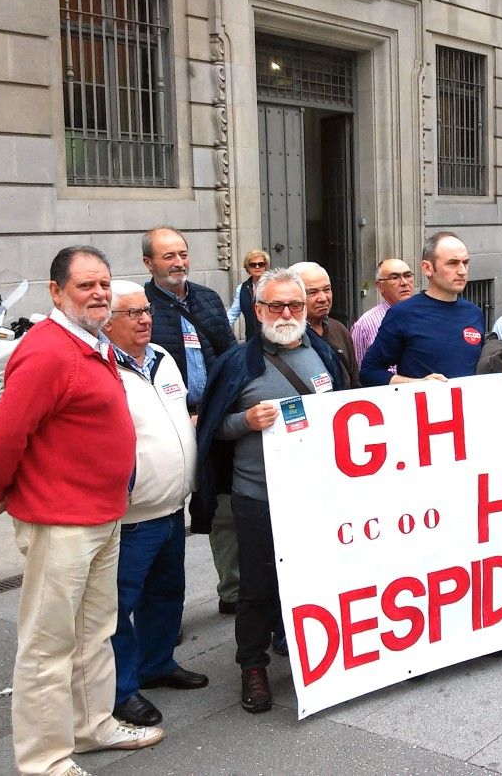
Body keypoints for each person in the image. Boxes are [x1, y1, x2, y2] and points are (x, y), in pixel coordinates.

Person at [0, 247, 163, 775]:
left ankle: (91, 724)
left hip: (101, 516)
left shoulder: (91, 343)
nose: (99, 294)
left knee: (93, 632)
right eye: (85, 286)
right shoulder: (48, 350)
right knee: (48, 646)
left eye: (103, 284)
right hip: (61, 522)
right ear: (56, 293)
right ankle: (44, 759)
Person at [193, 268, 346, 714]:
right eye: (275, 305)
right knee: (257, 586)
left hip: (313, 493)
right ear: (257, 310)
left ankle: (304, 649)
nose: (286, 313)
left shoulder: (324, 353)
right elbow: (212, 429)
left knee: (313, 577)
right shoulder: (236, 364)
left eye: (294, 305)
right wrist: (246, 422)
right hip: (258, 496)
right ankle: (253, 668)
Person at [103, 281, 207, 729]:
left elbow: (177, 413)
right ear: (107, 322)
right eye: (133, 313)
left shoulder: (163, 359)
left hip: (170, 507)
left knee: (166, 593)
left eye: (146, 311)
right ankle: (120, 690)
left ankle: (157, 663)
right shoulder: (102, 367)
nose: (146, 319)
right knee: (116, 607)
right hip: (131, 516)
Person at [142, 225, 240, 616]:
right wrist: (184, 415)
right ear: (148, 263)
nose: (179, 262)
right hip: (167, 428)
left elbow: (231, 355)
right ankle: (161, 617)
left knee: (222, 507)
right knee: (163, 521)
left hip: (215, 423)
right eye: (168, 256)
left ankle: (231, 591)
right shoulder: (140, 306)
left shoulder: (208, 299)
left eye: (182, 254)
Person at [361, 231, 485, 385]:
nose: (462, 271)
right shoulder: (402, 314)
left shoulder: (474, 313)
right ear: (427, 268)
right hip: (422, 407)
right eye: (452, 263)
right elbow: (369, 372)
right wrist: (417, 384)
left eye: (465, 262)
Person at [289, 261, 360, 387]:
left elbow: (354, 380)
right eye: (312, 292)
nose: (323, 298)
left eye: (327, 289)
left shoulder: (339, 329)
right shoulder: (287, 336)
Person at [351, 258, 415, 367]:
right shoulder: (364, 326)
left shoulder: (426, 314)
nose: (404, 282)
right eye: (395, 278)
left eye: (408, 276)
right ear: (380, 286)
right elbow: (361, 373)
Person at [227, 249, 269, 334]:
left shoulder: (274, 285)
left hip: (273, 339)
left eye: (261, 264)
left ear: (265, 267)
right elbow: (232, 314)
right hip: (252, 339)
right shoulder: (241, 288)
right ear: (248, 268)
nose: (257, 267)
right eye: (253, 265)